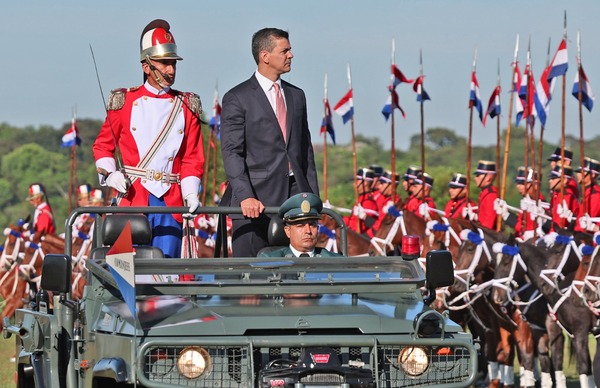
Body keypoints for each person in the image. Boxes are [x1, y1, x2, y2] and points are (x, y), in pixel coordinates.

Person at [92, 19, 204, 258]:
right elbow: (103, 146)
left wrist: (191, 193)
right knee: (127, 271)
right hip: (133, 197)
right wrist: (110, 174)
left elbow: (192, 158)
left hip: (171, 201)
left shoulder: (186, 105)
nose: (171, 70)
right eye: (164, 64)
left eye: (173, 63)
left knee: (166, 275)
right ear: (146, 66)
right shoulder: (124, 101)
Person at [220, 27, 319, 257]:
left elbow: (305, 152)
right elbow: (232, 152)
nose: (291, 55)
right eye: (285, 50)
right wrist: (245, 196)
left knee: (295, 282)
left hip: (295, 202)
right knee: (251, 284)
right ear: (265, 56)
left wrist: (313, 197)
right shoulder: (237, 97)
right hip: (254, 205)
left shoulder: (297, 95)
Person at [258, 193, 341, 258]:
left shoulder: (335, 261)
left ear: (318, 228)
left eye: (312, 225)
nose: (308, 231)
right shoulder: (270, 260)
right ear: (288, 231)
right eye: (300, 225)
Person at [343, 168, 379, 236]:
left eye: (357, 181)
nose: (354, 184)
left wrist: (364, 216)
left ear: (365, 183)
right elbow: (351, 221)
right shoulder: (360, 199)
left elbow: (373, 226)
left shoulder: (368, 202)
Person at [545, 164, 579, 231]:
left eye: (553, 178)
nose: (550, 181)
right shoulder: (558, 194)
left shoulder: (566, 195)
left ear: (564, 180)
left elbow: (560, 224)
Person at [575, 157, 600, 233]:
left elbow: (589, 221)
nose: (578, 174)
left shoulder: (595, 195)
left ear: (592, 175)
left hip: (589, 239)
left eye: (581, 172)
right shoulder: (586, 192)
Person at [473, 160, 499, 229]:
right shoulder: (484, 193)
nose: (475, 178)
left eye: (478, 175)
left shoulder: (491, 195)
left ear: (488, 177)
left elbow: (488, 224)